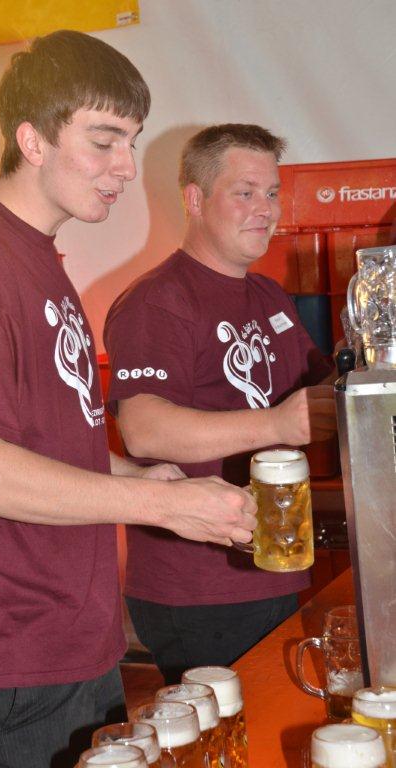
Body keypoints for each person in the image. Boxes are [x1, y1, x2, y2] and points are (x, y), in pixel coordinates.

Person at [0, 37, 257, 768]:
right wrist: (161, 506)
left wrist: (142, 479)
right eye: (103, 141)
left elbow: (49, 441)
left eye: (132, 141)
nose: (126, 166)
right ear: (32, 141)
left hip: (61, 637)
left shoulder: (31, 252)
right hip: (8, 653)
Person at [104, 123, 337, 684]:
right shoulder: (157, 301)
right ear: (194, 199)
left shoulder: (267, 294)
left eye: (272, 193)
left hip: (276, 564)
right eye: (245, 192)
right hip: (199, 591)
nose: (266, 209)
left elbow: (322, 394)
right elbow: (144, 430)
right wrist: (278, 423)